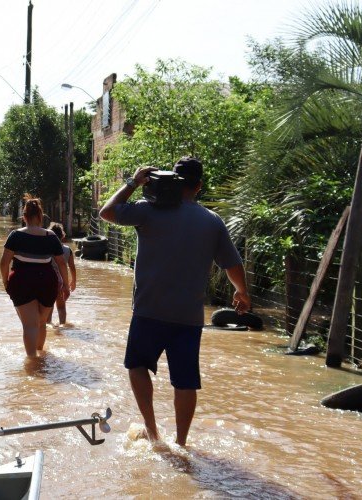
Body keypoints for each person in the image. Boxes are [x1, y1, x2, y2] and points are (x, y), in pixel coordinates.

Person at [99, 156, 251, 447]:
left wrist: (134, 181)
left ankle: (154, 434)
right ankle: (181, 443)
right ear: (199, 186)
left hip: (149, 310)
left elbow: (107, 212)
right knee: (185, 380)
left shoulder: (148, 211)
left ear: (171, 180)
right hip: (189, 317)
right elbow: (233, 264)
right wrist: (242, 292)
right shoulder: (211, 220)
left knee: (137, 365)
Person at [0, 196, 70, 358]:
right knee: (41, 323)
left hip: (21, 280)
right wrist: (65, 285)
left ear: (24, 217)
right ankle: (40, 357)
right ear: (41, 216)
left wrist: (5, 281)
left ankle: (32, 362)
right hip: (47, 281)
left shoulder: (15, 235)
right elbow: (61, 264)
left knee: (29, 326)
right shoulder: (51, 236)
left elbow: (4, 263)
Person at [46, 222, 77, 325]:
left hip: (49, 279)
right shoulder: (68, 250)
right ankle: (63, 325)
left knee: (48, 306)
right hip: (62, 280)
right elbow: (72, 267)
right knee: (61, 306)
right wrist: (73, 281)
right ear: (62, 236)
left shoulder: (46, 248)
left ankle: (48, 325)